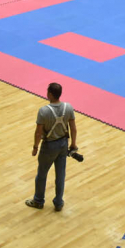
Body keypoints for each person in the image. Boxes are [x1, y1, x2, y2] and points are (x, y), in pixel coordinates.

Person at [26, 82, 78, 211]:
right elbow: (73, 128)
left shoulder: (44, 111)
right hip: (63, 145)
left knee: (42, 174)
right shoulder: (68, 107)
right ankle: (59, 202)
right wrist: (73, 144)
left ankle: (38, 200)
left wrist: (35, 147)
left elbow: (38, 132)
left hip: (49, 146)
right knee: (60, 175)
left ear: (49, 94)